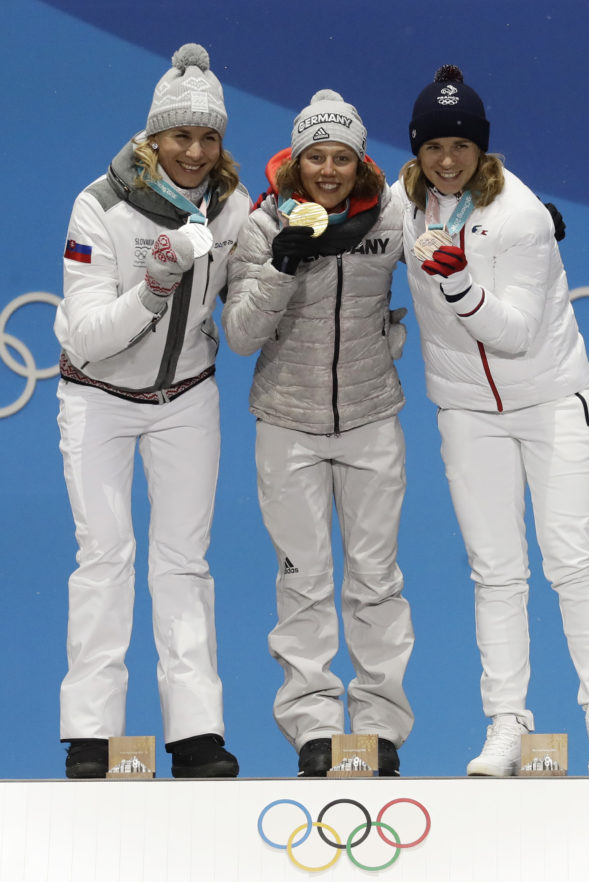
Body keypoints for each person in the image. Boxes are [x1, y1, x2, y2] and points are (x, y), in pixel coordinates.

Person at [396, 65, 589, 777]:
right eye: (433, 146)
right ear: (416, 150)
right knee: (495, 572)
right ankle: (506, 721)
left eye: (460, 147)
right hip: (469, 412)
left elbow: (519, 333)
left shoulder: (522, 216)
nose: (446, 160)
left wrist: (460, 283)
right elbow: (338, 203)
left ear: (482, 150)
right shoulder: (405, 206)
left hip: (552, 401)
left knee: (571, 560)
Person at [54, 44, 250, 779]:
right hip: (97, 400)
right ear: (152, 139)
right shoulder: (97, 205)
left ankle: (196, 735)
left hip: (186, 401)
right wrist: (154, 284)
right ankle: (92, 737)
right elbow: (84, 333)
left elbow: (249, 306)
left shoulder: (232, 209)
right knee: (105, 559)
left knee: (182, 564)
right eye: (180, 136)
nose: (194, 151)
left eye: (208, 137)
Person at [222, 89, 414, 776]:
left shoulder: (393, 214)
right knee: (302, 582)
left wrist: (529, 228)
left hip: (370, 418)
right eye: (315, 157)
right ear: (295, 161)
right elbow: (242, 336)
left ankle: (380, 730)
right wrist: (282, 263)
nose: (328, 170)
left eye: (341, 157)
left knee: (376, 581)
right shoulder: (262, 222)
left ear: (360, 162)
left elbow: (459, 223)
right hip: (287, 424)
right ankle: (315, 730)